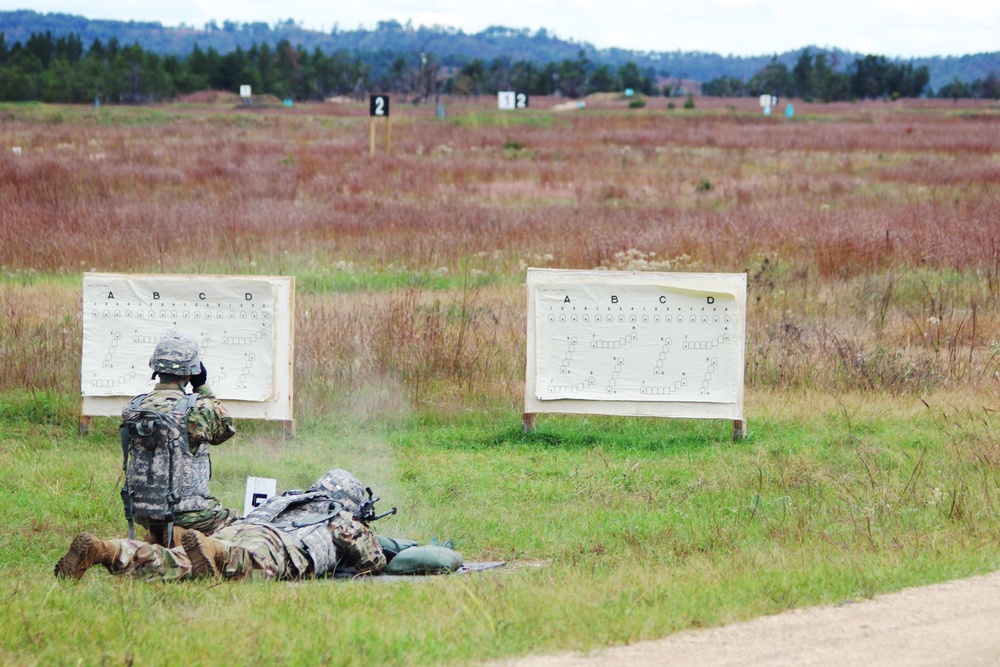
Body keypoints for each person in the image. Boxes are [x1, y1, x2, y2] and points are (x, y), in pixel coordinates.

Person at [55, 469, 387, 581]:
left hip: (236, 528)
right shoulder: (339, 517)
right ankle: (216, 551)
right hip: (273, 544)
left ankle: (107, 550)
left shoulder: (289, 497)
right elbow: (373, 561)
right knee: (243, 565)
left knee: (183, 561)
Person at [124, 333, 237, 546]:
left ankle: (158, 537)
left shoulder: (133, 408)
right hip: (188, 511)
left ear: (156, 368)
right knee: (238, 527)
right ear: (191, 370)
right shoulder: (196, 409)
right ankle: (180, 536)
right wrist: (202, 386)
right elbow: (226, 429)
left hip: (142, 511)